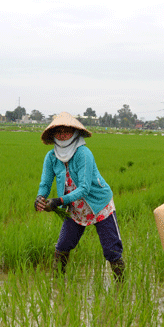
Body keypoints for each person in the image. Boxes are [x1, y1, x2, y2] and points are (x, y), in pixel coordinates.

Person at [34, 112, 125, 283]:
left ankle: (121, 288)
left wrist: (57, 201)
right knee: (62, 247)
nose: (62, 135)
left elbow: (84, 188)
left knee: (111, 250)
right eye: (58, 132)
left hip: (99, 206)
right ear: (53, 135)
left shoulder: (83, 153)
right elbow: (45, 183)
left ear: (74, 133)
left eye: (66, 131)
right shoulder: (51, 157)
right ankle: (58, 284)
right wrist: (40, 198)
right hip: (75, 209)